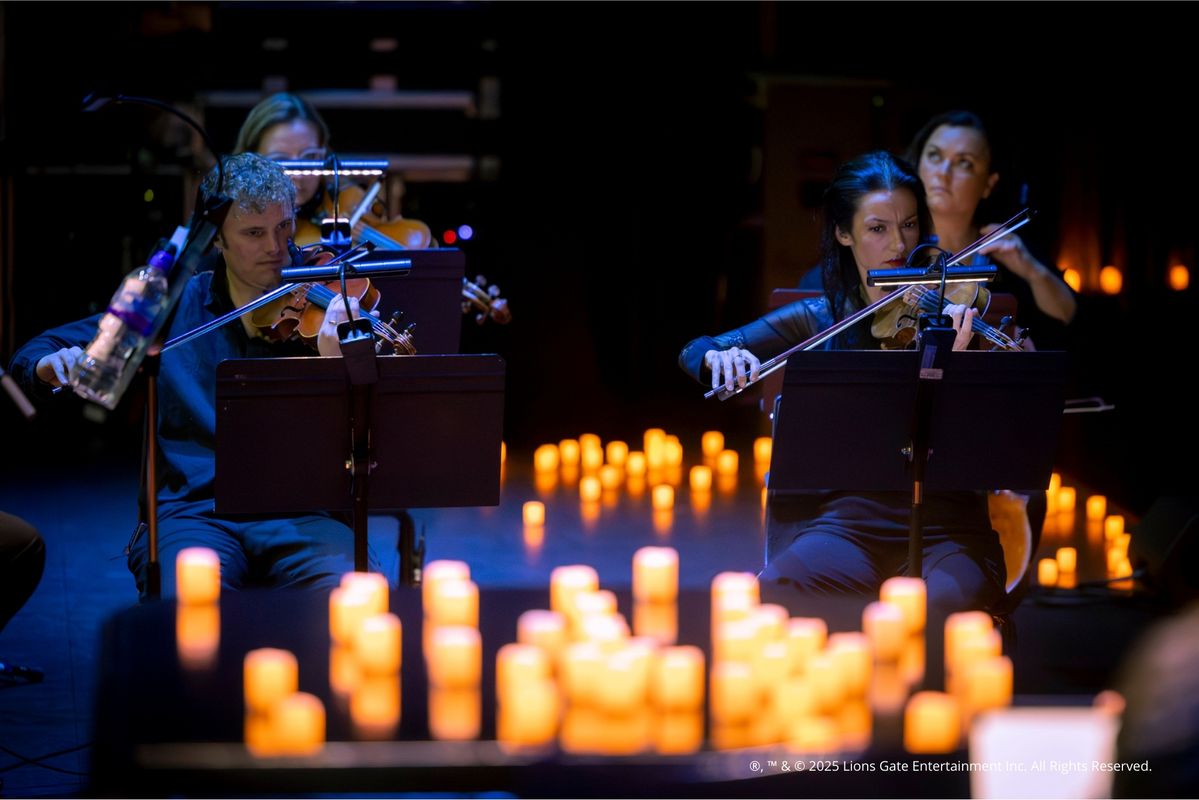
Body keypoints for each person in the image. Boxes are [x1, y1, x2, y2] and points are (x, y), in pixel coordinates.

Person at [7, 153, 383, 601]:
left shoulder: (329, 295)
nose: (277, 248)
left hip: (306, 513)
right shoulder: (171, 305)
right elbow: (37, 352)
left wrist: (345, 364)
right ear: (218, 240)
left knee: (357, 602)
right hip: (196, 514)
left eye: (284, 227)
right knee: (188, 604)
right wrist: (50, 367)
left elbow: (384, 419)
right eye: (254, 233)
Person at [679, 151, 1006, 622]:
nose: (899, 242)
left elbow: (1000, 427)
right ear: (844, 232)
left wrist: (959, 362)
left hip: (949, 531)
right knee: (772, 592)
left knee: (938, 612)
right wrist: (718, 355)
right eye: (878, 228)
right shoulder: (821, 318)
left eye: (910, 225)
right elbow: (696, 349)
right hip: (848, 529)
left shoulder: (956, 310)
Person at [906, 109, 1077, 339]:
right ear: (918, 164)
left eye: (964, 163)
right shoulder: (901, 245)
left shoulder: (1003, 248)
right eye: (934, 155)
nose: (943, 173)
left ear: (989, 183)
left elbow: (1067, 313)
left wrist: (1030, 269)